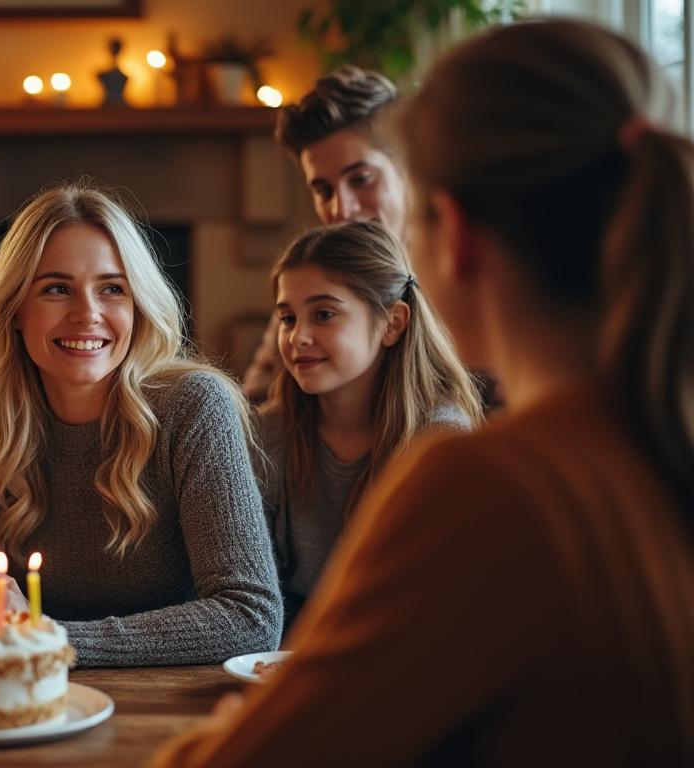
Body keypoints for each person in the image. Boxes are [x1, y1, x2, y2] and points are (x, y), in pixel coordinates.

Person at [153, 19, 694, 765]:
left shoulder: (485, 477)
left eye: (363, 181)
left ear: (453, 232)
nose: (342, 210)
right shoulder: (651, 440)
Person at [0, 182, 283, 667]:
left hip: (167, 695)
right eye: (57, 289)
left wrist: (44, 637)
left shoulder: (194, 408)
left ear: (138, 305)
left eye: (112, 289)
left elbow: (250, 615)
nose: (88, 314)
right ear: (15, 310)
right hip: (26, 688)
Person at [261, 219, 482, 624]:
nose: (297, 337)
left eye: (324, 314)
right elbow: (258, 590)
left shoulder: (437, 440)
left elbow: (438, 604)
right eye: (288, 318)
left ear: (393, 324)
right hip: (286, 648)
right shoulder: (269, 434)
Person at [243, 66, 402, 401]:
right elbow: (257, 400)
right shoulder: (311, 285)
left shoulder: (465, 280)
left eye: (361, 179)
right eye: (324, 190)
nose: (341, 210)